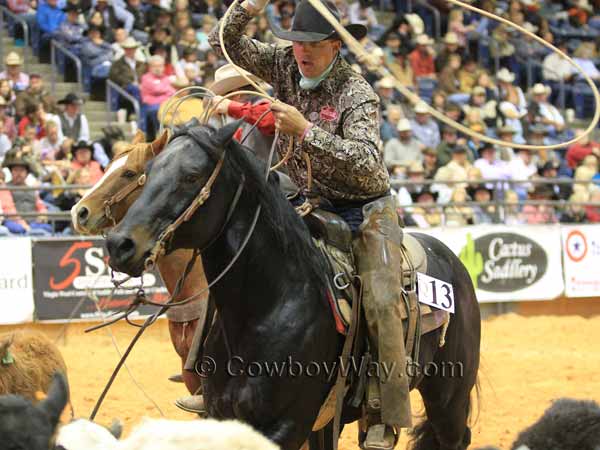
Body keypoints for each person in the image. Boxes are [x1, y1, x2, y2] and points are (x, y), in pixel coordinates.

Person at [207, 0, 411, 447]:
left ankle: (384, 409)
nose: (302, 52)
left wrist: (305, 131)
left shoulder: (356, 93)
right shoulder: (283, 63)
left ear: (335, 45)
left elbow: (369, 166)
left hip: (363, 209)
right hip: (300, 199)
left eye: (313, 45)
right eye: (297, 42)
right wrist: (248, 5)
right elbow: (222, 41)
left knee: (379, 298)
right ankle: (210, 374)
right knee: (233, 254)